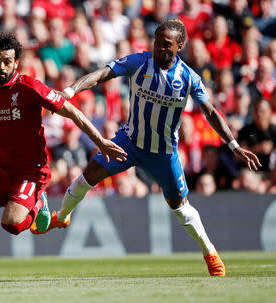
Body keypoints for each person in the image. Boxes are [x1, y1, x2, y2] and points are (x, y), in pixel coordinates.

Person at [32, 19, 261, 277]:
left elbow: (211, 112)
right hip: (128, 142)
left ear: (180, 46)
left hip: (164, 153)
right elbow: (102, 74)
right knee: (89, 175)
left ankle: (210, 252)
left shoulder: (188, 77)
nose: (159, 49)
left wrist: (232, 144)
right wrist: (71, 89)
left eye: (166, 45)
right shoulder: (140, 61)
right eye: (157, 43)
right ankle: (61, 216)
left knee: (179, 206)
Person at [0, 32, 126, 282]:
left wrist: (101, 142)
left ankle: (39, 203)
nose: (1, 66)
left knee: (12, 224)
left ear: (16, 62)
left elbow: (71, 111)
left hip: (31, 168)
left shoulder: (30, 88)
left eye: (7, 61)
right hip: (1, 166)